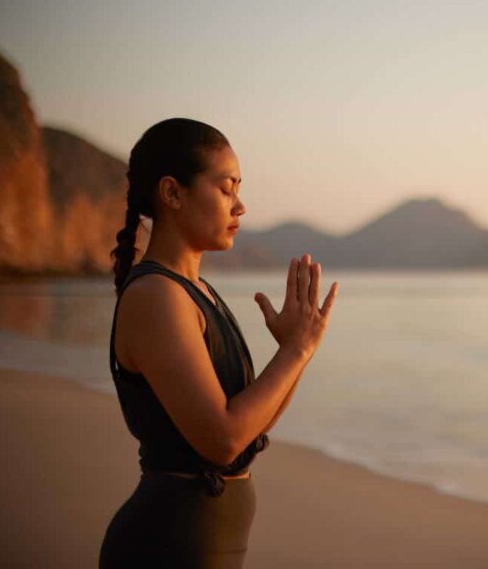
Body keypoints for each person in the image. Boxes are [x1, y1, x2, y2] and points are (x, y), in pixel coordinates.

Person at [99, 118, 338, 568]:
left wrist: (299, 349)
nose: (240, 206)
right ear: (172, 193)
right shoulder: (156, 296)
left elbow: (250, 427)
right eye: (226, 187)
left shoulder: (198, 292)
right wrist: (294, 352)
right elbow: (222, 441)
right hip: (164, 547)